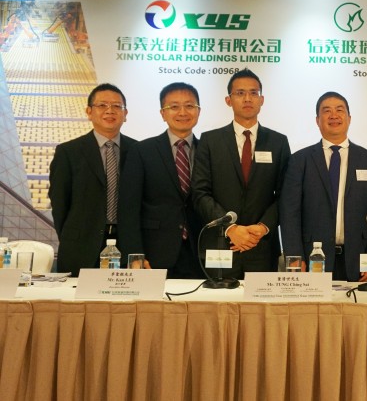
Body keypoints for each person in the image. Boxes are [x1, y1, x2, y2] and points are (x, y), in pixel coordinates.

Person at [191, 68, 290, 277]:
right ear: (228, 100)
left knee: (261, 300)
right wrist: (231, 228)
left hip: (261, 246)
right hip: (221, 243)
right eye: (240, 93)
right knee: (217, 298)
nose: (247, 98)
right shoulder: (210, 141)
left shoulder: (278, 142)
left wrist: (263, 227)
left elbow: (285, 195)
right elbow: (200, 193)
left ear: (262, 100)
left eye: (253, 93)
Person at [280, 91, 367, 281]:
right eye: (326, 111)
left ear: (349, 118)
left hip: (359, 260)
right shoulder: (300, 160)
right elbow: (289, 213)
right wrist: (295, 256)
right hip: (312, 258)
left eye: (339, 110)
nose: (333, 115)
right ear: (317, 120)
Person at [49, 83, 137, 275]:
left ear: (125, 113)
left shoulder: (138, 151)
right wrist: (72, 237)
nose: (110, 111)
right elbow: (60, 204)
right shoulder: (68, 152)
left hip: (126, 244)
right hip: (81, 245)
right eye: (102, 105)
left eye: (117, 106)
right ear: (89, 112)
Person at [118, 82, 204, 278]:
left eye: (189, 106)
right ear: (162, 113)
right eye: (174, 106)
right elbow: (128, 209)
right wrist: (135, 254)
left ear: (198, 111)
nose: (183, 112)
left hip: (200, 252)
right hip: (154, 252)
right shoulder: (142, 151)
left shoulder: (209, 151)